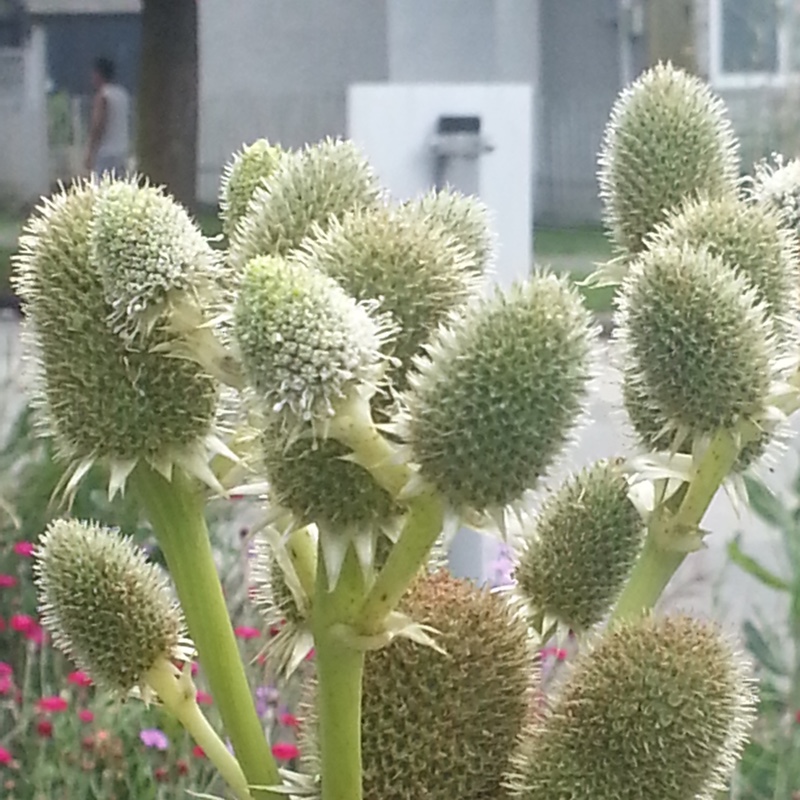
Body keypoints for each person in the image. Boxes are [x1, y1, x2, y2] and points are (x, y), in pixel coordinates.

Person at [84, 57, 130, 176]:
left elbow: (97, 125)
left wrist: (90, 151)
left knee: (102, 191)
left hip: (105, 154)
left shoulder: (103, 96)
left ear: (98, 74)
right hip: (122, 151)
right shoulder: (122, 94)